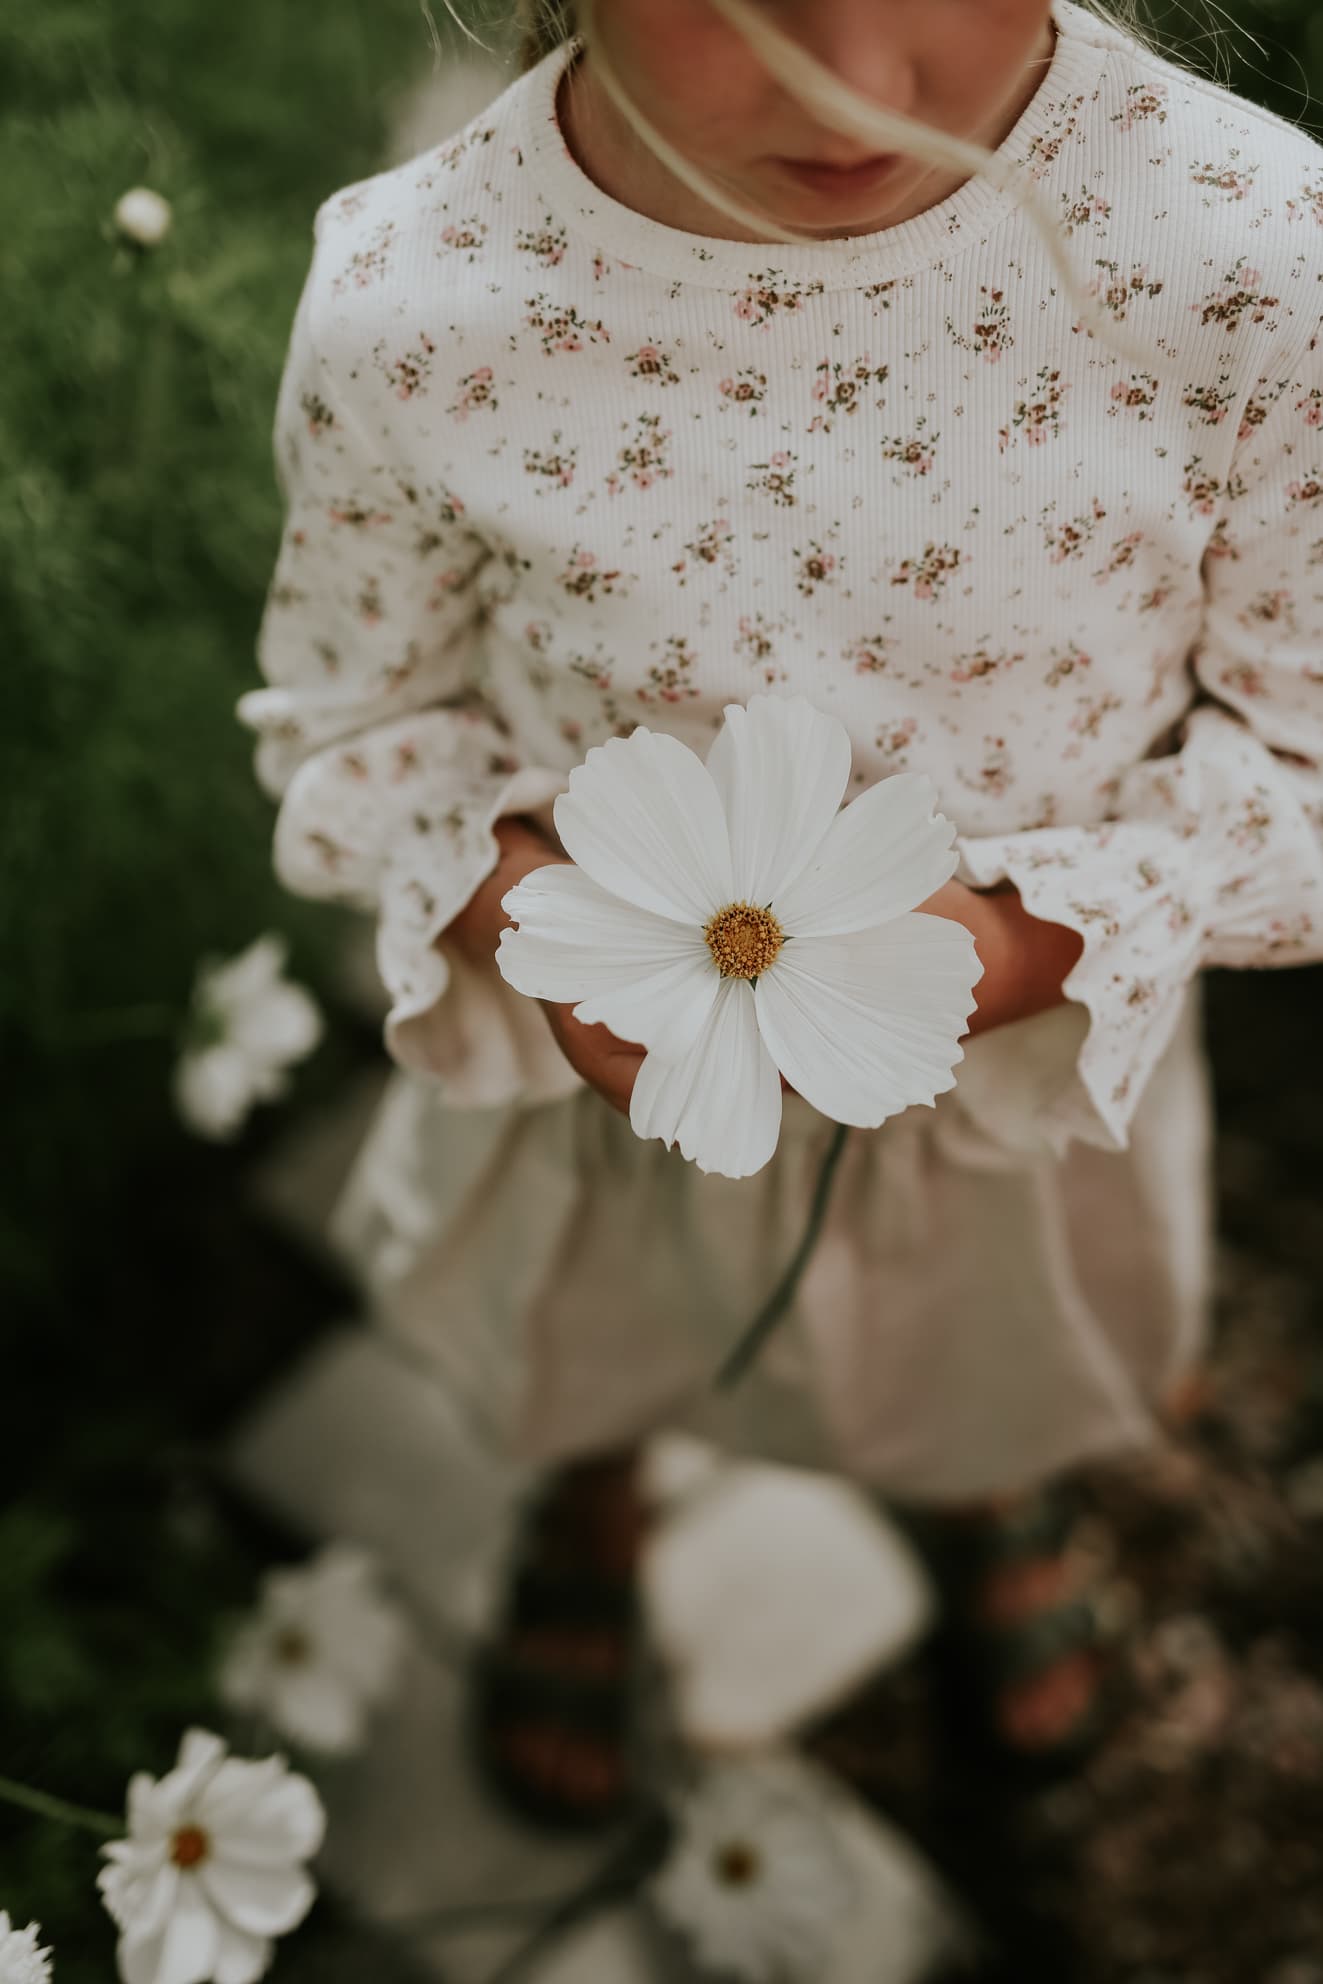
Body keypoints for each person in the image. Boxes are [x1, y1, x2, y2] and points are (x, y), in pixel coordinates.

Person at [238, 0, 1323, 1830]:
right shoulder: (423, 313)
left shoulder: (1239, 259)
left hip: (1006, 1097)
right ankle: (595, 1498)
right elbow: (352, 728)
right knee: (610, 1340)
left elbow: (1303, 748)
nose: (859, 76)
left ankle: (984, 1495)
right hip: (617, 1100)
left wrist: (1027, 948)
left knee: (972, 1360)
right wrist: (534, 922)